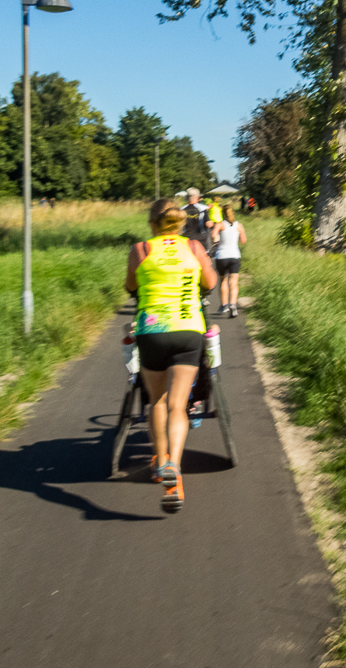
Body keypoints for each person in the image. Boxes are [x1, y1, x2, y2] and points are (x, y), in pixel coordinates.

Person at [125, 198, 218, 513]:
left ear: (152, 223)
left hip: (152, 331)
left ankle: (160, 459)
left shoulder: (141, 250)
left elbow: (130, 286)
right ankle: (174, 469)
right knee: (179, 405)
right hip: (188, 329)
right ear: (181, 223)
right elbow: (211, 282)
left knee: (158, 402)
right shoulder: (194, 248)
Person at [212, 204, 247, 318]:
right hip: (234, 256)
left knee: (223, 281)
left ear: (223, 214)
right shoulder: (239, 225)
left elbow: (213, 235)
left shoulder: (220, 225)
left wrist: (217, 241)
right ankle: (233, 304)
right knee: (234, 282)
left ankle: (224, 305)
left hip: (221, 256)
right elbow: (243, 241)